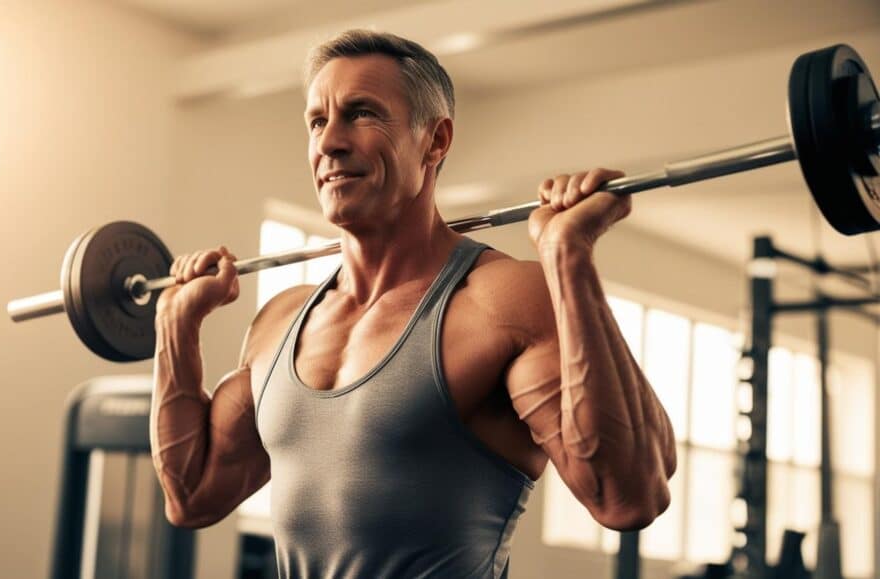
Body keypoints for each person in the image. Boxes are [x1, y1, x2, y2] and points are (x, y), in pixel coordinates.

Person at [150, 29, 676, 579]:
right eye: (316, 121)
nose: (329, 141)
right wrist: (175, 328)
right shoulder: (280, 320)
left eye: (361, 113)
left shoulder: (498, 300)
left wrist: (568, 258)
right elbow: (192, 497)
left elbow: (630, 496)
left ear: (435, 141)